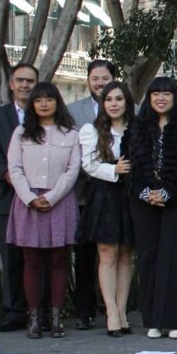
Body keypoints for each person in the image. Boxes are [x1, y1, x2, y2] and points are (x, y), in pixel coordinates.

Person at [125, 77, 177, 339]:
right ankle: (153, 321)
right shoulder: (136, 127)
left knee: (175, 257)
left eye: (166, 93)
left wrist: (168, 192)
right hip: (144, 202)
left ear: (175, 97)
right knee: (148, 258)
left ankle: (174, 321)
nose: (161, 98)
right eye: (155, 93)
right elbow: (130, 166)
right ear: (149, 98)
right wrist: (147, 193)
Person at [6, 83, 82, 339]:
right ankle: (34, 318)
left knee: (59, 260)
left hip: (59, 201)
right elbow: (14, 169)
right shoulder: (21, 133)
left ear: (57, 102)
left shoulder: (70, 133)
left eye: (49, 99)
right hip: (28, 202)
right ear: (33, 105)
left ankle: (57, 319)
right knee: (32, 261)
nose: (44, 104)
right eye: (38, 100)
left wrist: (51, 197)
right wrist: (30, 197)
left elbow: (73, 170)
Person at [77, 81, 136, 337]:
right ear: (102, 104)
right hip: (104, 193)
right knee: (107, 253)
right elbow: (89, 165)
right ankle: (110, 311)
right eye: (109, 99)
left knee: (126, 254)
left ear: (127, 103)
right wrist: (115, 169)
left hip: (130, 194)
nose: (113, 104)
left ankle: (122, 311)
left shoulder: (136, 129)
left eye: (119, 99)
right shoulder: (91, 130)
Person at [0, 63, 38, 332]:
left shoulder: (47, 114)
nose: (25, 85)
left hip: (42, 199)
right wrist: (7, 174)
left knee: (38, 256)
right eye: (20, 81)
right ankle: (15, 313)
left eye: (30, 81)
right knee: (11, 258)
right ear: (11, 84)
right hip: (6, 198)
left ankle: (41, 312)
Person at [68, 59, 116, 330]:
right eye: (95, 78)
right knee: (85, 254)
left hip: (119, 191)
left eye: (105, 78)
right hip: (84, 193)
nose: (99, 83)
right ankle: (85, 311)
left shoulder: (130, 108)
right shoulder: (73, 111)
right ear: (88, 80)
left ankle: (117, 308)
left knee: (117, 253)